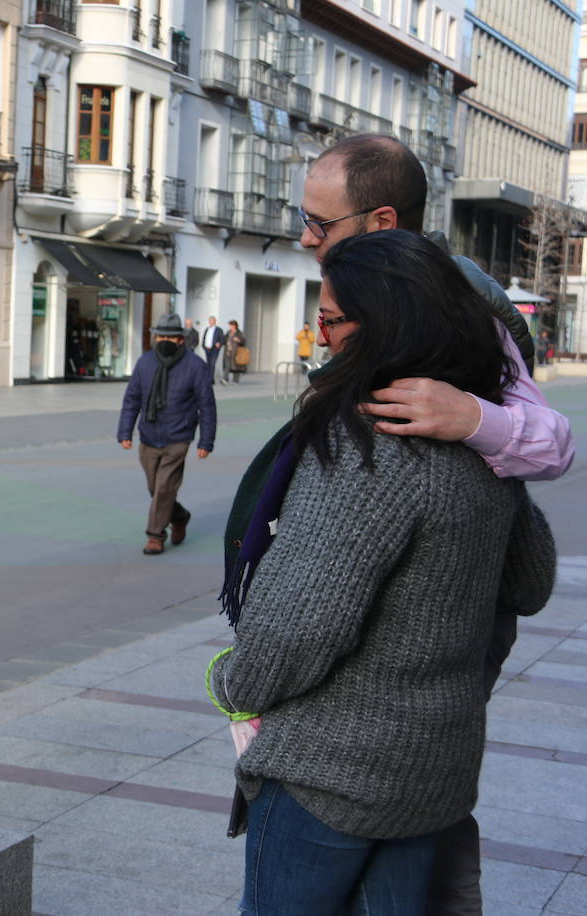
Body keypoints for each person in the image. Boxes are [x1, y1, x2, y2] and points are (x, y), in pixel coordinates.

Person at [232, 132, 574, 913]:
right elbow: (532, 578)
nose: (307, 239)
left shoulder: (381, 437)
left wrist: (233, 685)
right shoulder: (471, 438)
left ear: (381, 223)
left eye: (321, 226)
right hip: (436, 758)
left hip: (337, 770)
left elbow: (292, 630)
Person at [116, 314, 216, 555]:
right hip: (148, 436)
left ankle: (155, 536)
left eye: (170, 337)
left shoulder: (195, 366)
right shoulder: (145, 362)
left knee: (164, 488)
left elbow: (207, 404)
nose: (165, 340)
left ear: (180, 339)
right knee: (155, 488)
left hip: (178, 437)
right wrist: (125, 431)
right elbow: (132, 399)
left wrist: (206, 440)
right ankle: (179, 516)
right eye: (160, 336)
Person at [201, 315, 225, 383]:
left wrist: (219, 343)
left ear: (215, 321)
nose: (211, 322)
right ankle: (209, 377)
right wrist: (203, 345)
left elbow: (222, 339)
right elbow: (204, 338)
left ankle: (211, 379)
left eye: (212, 320)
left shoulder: (219, 330)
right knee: (208, 364)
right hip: (207, 349)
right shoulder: (207, 329)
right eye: (210, 321)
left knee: (212, 364)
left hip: (214, 349)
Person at [223, 319, 246, 385]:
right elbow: (225, 340)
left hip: (236, 352)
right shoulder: (228, 332)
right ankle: (225, 379)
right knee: (227, 366)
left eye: (231, 325)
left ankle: (235, 381)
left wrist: (238, 340)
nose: (230, 327)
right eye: (229, 325)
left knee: (236, 367)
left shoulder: (239, 333)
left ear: (235, 326)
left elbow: (243, 342)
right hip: (228, 352)